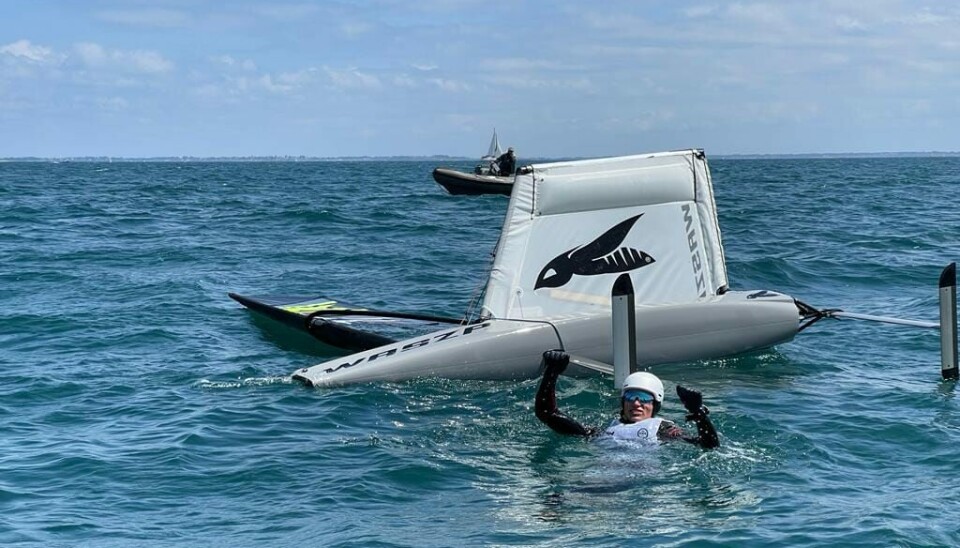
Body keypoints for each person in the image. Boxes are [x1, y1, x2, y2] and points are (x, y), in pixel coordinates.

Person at [534, 350, 719, 448]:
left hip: (636, 485)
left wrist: (699, 416)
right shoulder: (604, 432)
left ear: (655, 405)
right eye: (631, 396)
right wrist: (552, 372)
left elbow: (707, 445)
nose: (636, 403)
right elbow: (547, 414)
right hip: (600, 481)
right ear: (623, 402)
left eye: (645, 398)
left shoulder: (663, 431)